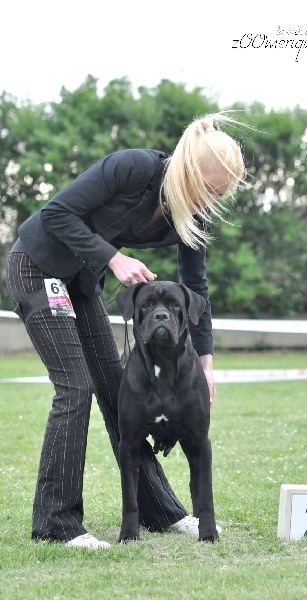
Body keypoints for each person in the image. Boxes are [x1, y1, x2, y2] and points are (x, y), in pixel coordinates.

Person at [6, 113, 245, 548]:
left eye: (219, 194)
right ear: (188, 169)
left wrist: (207, 365)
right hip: (37, 265)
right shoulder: (134, 167)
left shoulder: (192, 217)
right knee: (75, 387)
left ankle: (162, 513)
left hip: (80, 281)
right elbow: (56, 213)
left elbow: (196, 289)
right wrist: (114, 259)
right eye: (209, 188)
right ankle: (57, 525)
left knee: (120, 391)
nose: (211, 200)